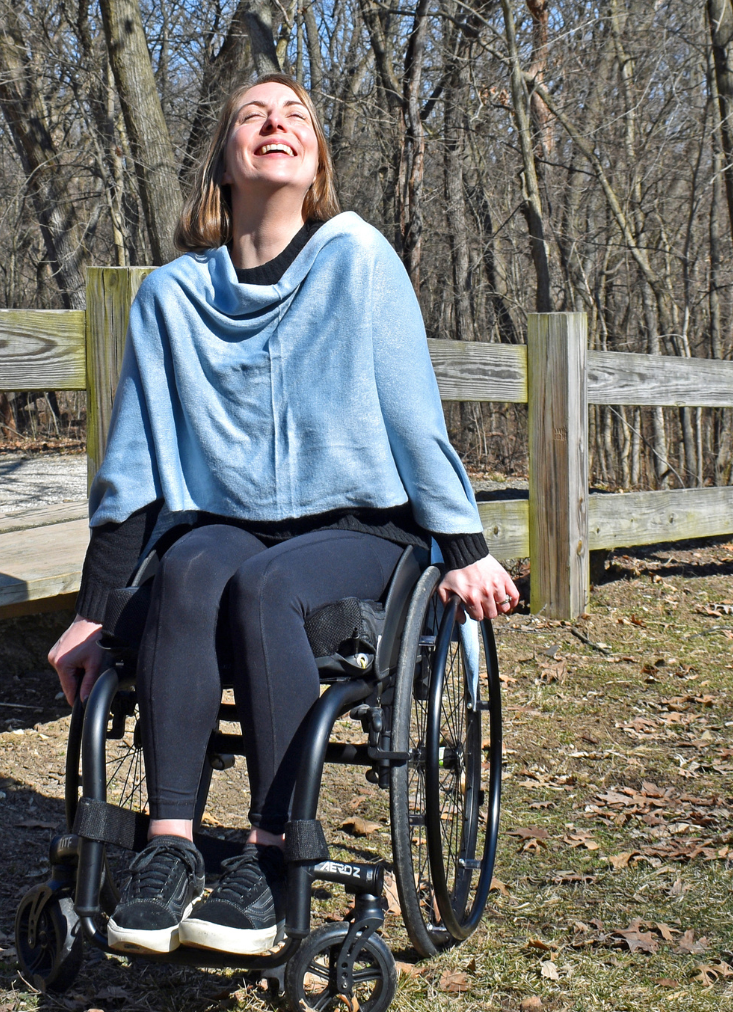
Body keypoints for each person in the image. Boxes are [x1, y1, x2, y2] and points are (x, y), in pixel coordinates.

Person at [48, 73, 519, 957]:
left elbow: (414, 416)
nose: (278, 124)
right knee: (188, 570)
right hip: (227, 522)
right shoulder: (172, 296)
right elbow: (135, 470)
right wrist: (91, 611)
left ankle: (271, 856)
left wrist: (464, 544)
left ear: (316, 161)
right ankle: (171, 851)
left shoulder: (358, 259)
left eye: (297, 114)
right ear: (224, 159)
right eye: (253, 115)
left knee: (267, 585)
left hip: (358, 528)